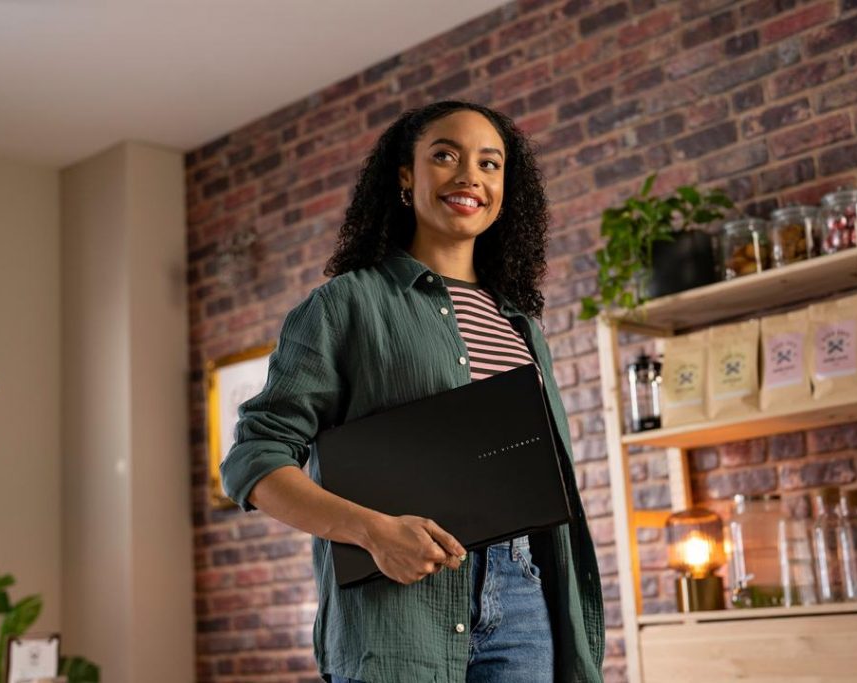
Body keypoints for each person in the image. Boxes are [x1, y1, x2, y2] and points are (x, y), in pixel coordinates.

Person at [220, 100, 605, 683]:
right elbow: (254, 460)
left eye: (490, 163)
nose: (469, 176)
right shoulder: (345, 305)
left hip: (525, 595)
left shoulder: (520, 323)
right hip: (398, 608)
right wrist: (372, 531)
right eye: (445, 155)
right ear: (406, 176)